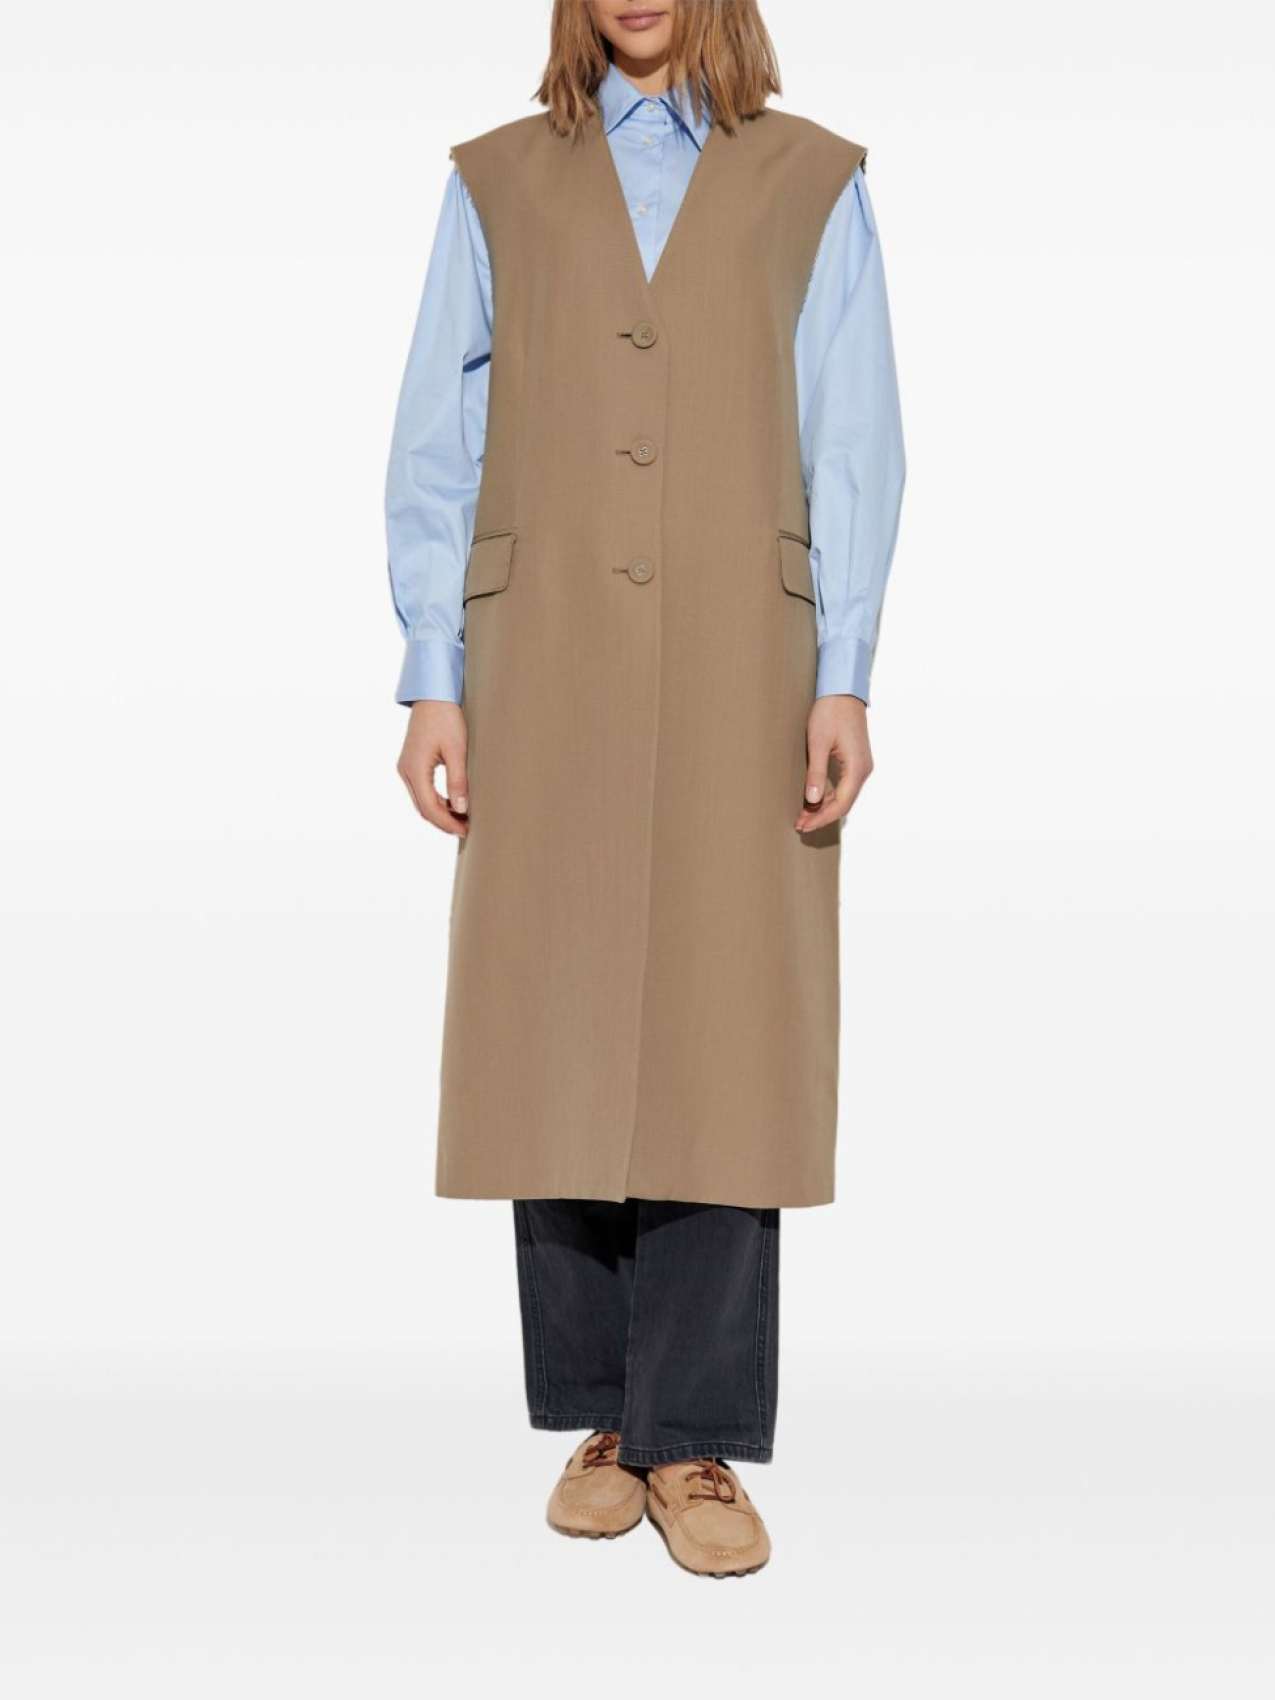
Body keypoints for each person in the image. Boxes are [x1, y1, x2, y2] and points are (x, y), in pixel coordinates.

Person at [386, 0, 904, 1578]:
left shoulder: (812, 179)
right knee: (548, 1018)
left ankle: (694, 1437)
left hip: (750, 648)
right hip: (539, 648)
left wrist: (846, 669)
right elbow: (436, 435)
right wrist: (431, 671)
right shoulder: (494, 180)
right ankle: (605, 1415)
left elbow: (855, 430)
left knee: (726, 1030)